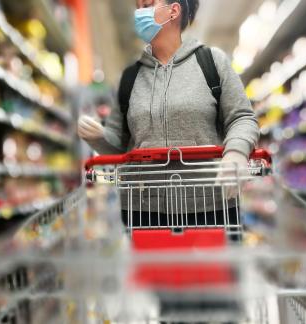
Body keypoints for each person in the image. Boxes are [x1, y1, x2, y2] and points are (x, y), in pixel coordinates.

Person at [78, 0, 259, 230]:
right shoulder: (130, 78)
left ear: (174, 11)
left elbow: (242, 117)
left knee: (212, 267)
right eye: (139, 7)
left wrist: (236, 152)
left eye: (148, 5)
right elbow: (121, 146)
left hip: (209, 206)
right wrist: (100, 137)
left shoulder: (212, 63)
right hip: (142, 212)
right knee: (150, 267)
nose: (139, 14)